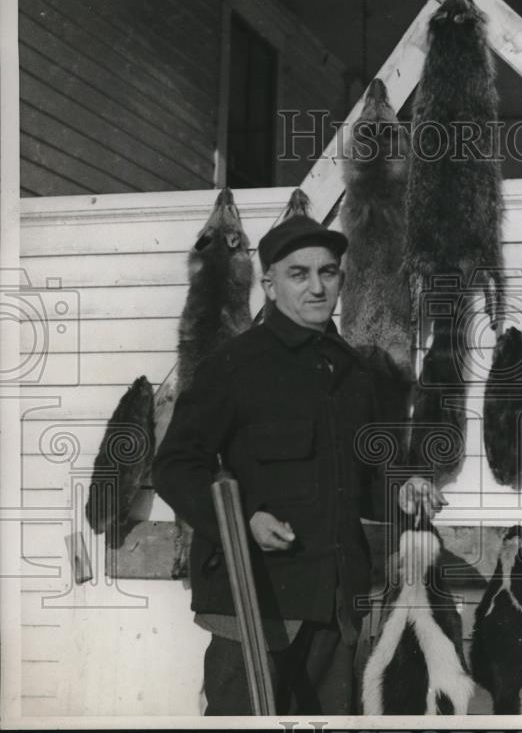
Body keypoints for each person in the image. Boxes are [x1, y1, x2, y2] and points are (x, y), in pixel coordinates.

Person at [153, 214, 445, 715]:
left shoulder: (354, 372)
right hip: (254, 602)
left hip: (335, 606)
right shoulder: (233, 366)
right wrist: (243, 522)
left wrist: (403, 488)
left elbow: (366, 478)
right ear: (268, 284)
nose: (316, 287)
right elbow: (175, 465)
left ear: (341, 279)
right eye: (298, 274)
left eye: (328, 273)